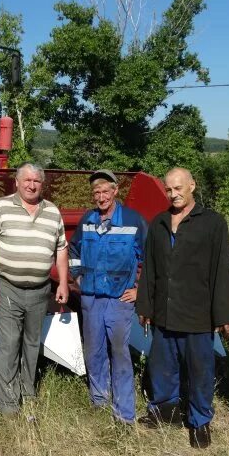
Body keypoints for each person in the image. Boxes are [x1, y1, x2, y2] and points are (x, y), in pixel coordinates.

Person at [136, 167, 229, 448]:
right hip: (164, 312)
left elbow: (222, 271)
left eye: (178, 188)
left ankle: (200, 421)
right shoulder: (159, 223)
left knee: (200, 370)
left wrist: (224, 314)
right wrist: (145, 306)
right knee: (162, 366)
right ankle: (164, 411)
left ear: (192, 185)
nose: (173, 194)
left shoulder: (212, 223)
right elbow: (151, 268)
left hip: (197, 314)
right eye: (168, 189)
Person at [0, 162, 69, 415]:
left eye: (37, 181)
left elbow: (61, 248)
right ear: (16, 182)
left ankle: (28, 392)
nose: (31, 185)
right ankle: (8, 403)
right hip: (9, 287)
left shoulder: (52, 211)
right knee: (9, 343)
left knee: (32, 343)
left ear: (43, 184)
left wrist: (62, 282)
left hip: (41, 289)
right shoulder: (0, 207)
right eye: (27, 180)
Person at [69, 169, 147, 424]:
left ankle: (124, 413)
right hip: (91, 298)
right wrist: (78, 276)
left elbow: (150, 259)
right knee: (93, 350)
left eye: (105, 191)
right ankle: (99, 400)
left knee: (120, 352)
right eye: (96, 192)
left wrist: (139, 289)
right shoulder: (88, 220)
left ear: (115, 191)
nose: (101, 197)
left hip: (119, 299)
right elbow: (73, 249)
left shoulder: (133, 220)